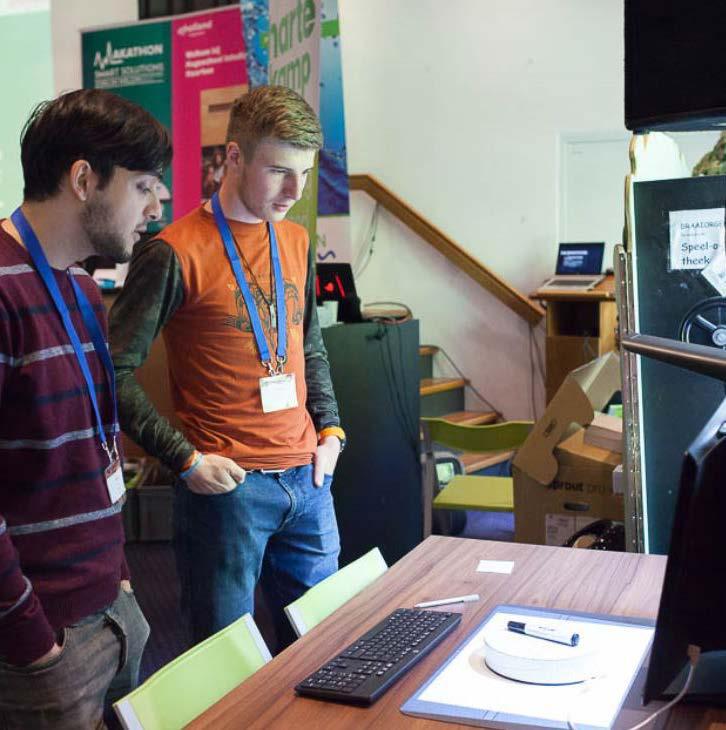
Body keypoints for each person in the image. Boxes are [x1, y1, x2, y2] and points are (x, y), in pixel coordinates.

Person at [109, 85, 344, 649]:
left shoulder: (295, 240)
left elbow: (308, 346)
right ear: (234, 157)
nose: (294, 191)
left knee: (324, 652)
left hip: (309, 479)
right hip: (228, 491)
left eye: (305, 174)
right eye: (279, 171)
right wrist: (184, 460)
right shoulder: (172, 251)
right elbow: (110, 371)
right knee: (227, 661)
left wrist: (332, 430)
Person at [0, 89, 171, 728]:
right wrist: (34, 644)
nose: (156, 207)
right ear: (83, 180)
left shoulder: (81, 289)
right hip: (41, 644)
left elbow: (95, 444)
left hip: (113, 609)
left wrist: (119, 578)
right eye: (143, 186)